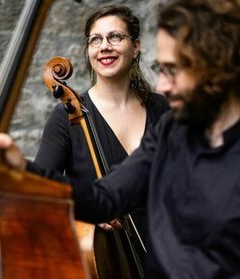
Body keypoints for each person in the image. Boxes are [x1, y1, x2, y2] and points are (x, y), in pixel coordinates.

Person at [0, 0, 240, 279]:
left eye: (173, 70)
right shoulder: (173, 130)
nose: (165, 85)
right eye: (162, 68)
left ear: (217, 64)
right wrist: (16, 170)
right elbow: (104, 199)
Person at [33, 4, 168, 236]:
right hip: (107, 262)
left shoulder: (163, 109)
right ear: (88, 50)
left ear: (135, 46)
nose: (104, 46)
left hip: (169, 256)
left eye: (115, 37)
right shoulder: (65, 116)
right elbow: (39, 194)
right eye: (95, 40)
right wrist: (82, 215)